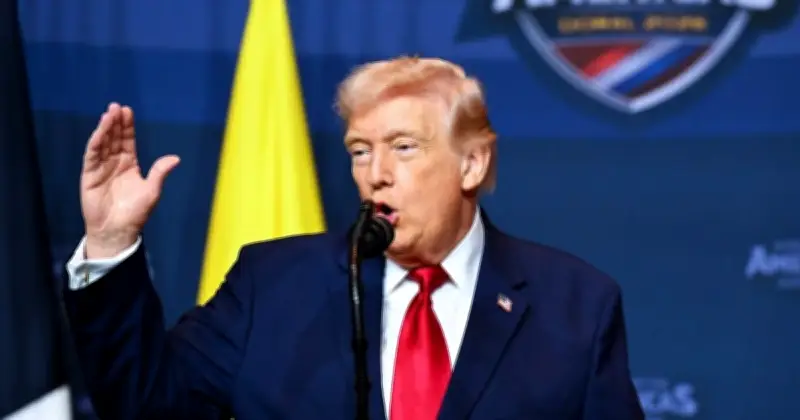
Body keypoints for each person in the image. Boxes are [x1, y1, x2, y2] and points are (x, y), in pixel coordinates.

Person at [62, 57, 645, 420]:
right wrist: (110, 242)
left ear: (471, 164)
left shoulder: (575, 305)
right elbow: (148, 408)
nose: (376, 174)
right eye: (360, 152)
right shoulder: (273, 285)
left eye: (404, 147)